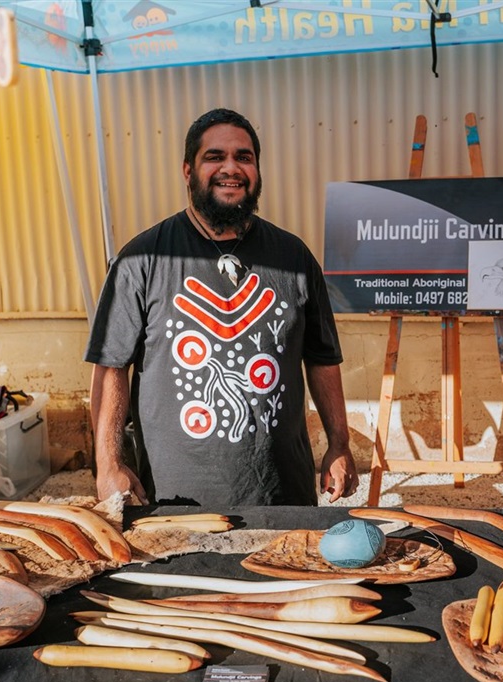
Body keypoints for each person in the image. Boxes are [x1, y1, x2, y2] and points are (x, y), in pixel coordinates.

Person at [87, 108, 358, 507]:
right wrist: (108, 463)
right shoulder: (140, 260)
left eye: (243, 157)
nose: (230, 168)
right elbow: (111, 367)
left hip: (281, 493)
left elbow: (321, 359)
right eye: (214, 157)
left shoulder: (293, 257)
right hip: (174, 498)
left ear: (257, 171)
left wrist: (339, 443)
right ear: (187, 170)